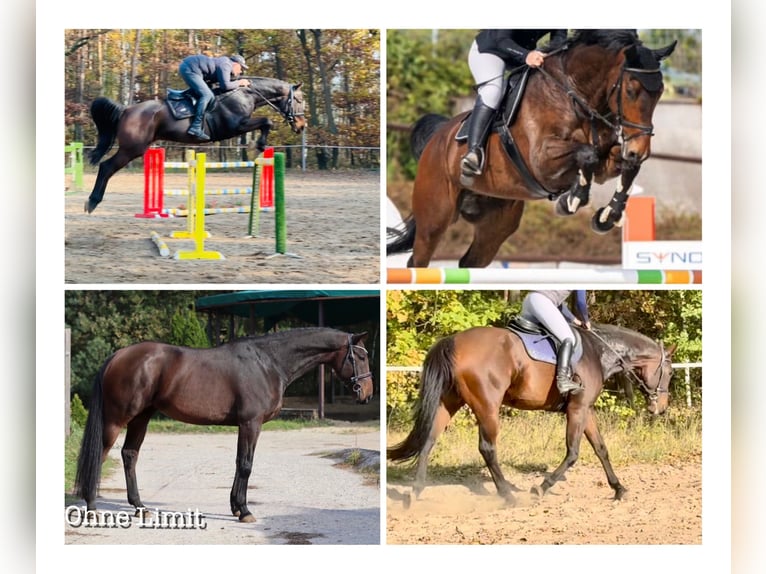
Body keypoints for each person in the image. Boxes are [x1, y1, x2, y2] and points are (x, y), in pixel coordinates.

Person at [461, 29, 568, 177]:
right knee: (492, 92)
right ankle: (473, 152)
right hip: (491, 50)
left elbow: (559, 41)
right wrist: (526, 55)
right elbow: (500, 39)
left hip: (521, 55)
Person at [521, 290, 590, 396]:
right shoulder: (581, 274)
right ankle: (563, 380)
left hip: (529, 299)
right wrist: (586, 320)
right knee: (568, 338)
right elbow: (580, 302)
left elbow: (560, 305)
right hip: (542, 302)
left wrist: (575, 321)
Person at [178, 54, 251, 141]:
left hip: (192, 68)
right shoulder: (226, 65)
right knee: (207, 95)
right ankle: (196, 126)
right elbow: (225, 86)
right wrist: (240, 82)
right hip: (190, 69)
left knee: (209, 92)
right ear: (236, 64)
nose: (240, 71)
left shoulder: (225, 64)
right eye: (241, 68)